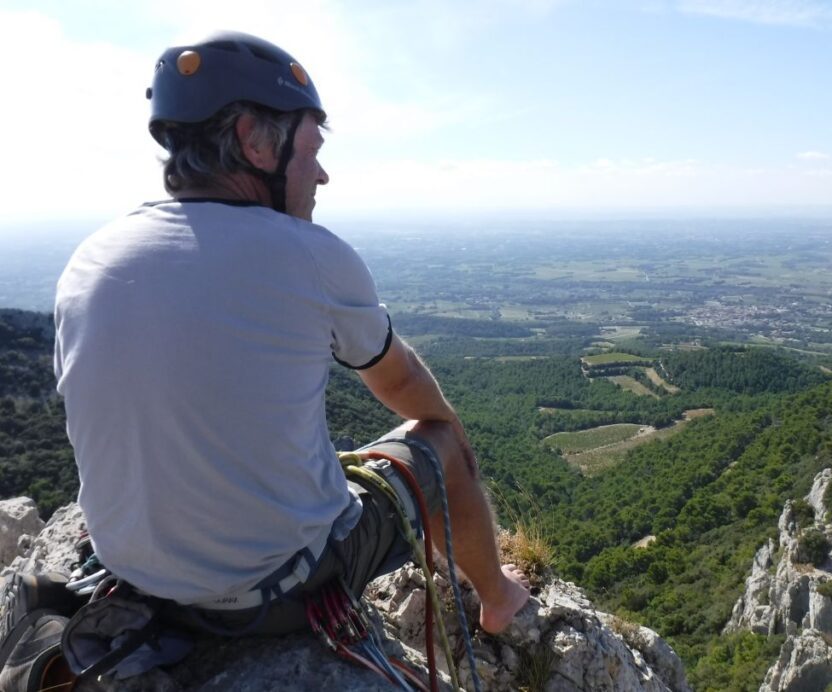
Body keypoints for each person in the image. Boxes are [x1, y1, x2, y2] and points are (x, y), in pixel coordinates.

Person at [53, 31, 530, 638]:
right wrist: (455, 437)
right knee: (442, 444)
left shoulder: (90, 259)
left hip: (132, 579)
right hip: (269, 594)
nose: (322, 174)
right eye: (312, 147)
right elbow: (401, 381)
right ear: (254, 140)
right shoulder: (309, 255)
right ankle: (499, 600)